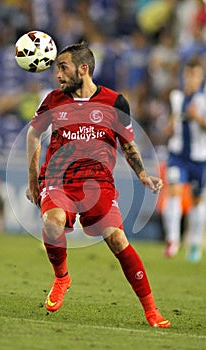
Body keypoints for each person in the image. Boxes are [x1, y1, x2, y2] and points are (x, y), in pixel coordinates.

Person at [26, 42, 170, 328]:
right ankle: (62, 278)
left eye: (63, 68)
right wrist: (34, 183)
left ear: (84, 69)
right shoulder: (53, 100)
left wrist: (142, 175)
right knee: (52, 223)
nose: (58, 75)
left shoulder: (115, 102)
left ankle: (151, 310)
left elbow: (128, 143)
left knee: (117, 239)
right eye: (57, 69)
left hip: (98, 183)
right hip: (58, 180)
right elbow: (32, 135)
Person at [162, 58, 206, 262]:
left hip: (199, 158)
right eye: (188, 75)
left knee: (197, 201)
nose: (190, 79)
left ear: (201, 78)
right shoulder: (176, 97)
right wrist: (169, 129)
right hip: (177, 155)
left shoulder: (204, 100)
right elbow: (173, 122)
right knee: (174, 191)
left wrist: (197, 118)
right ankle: (173, 240)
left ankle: (195, 243)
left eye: (195, 75)